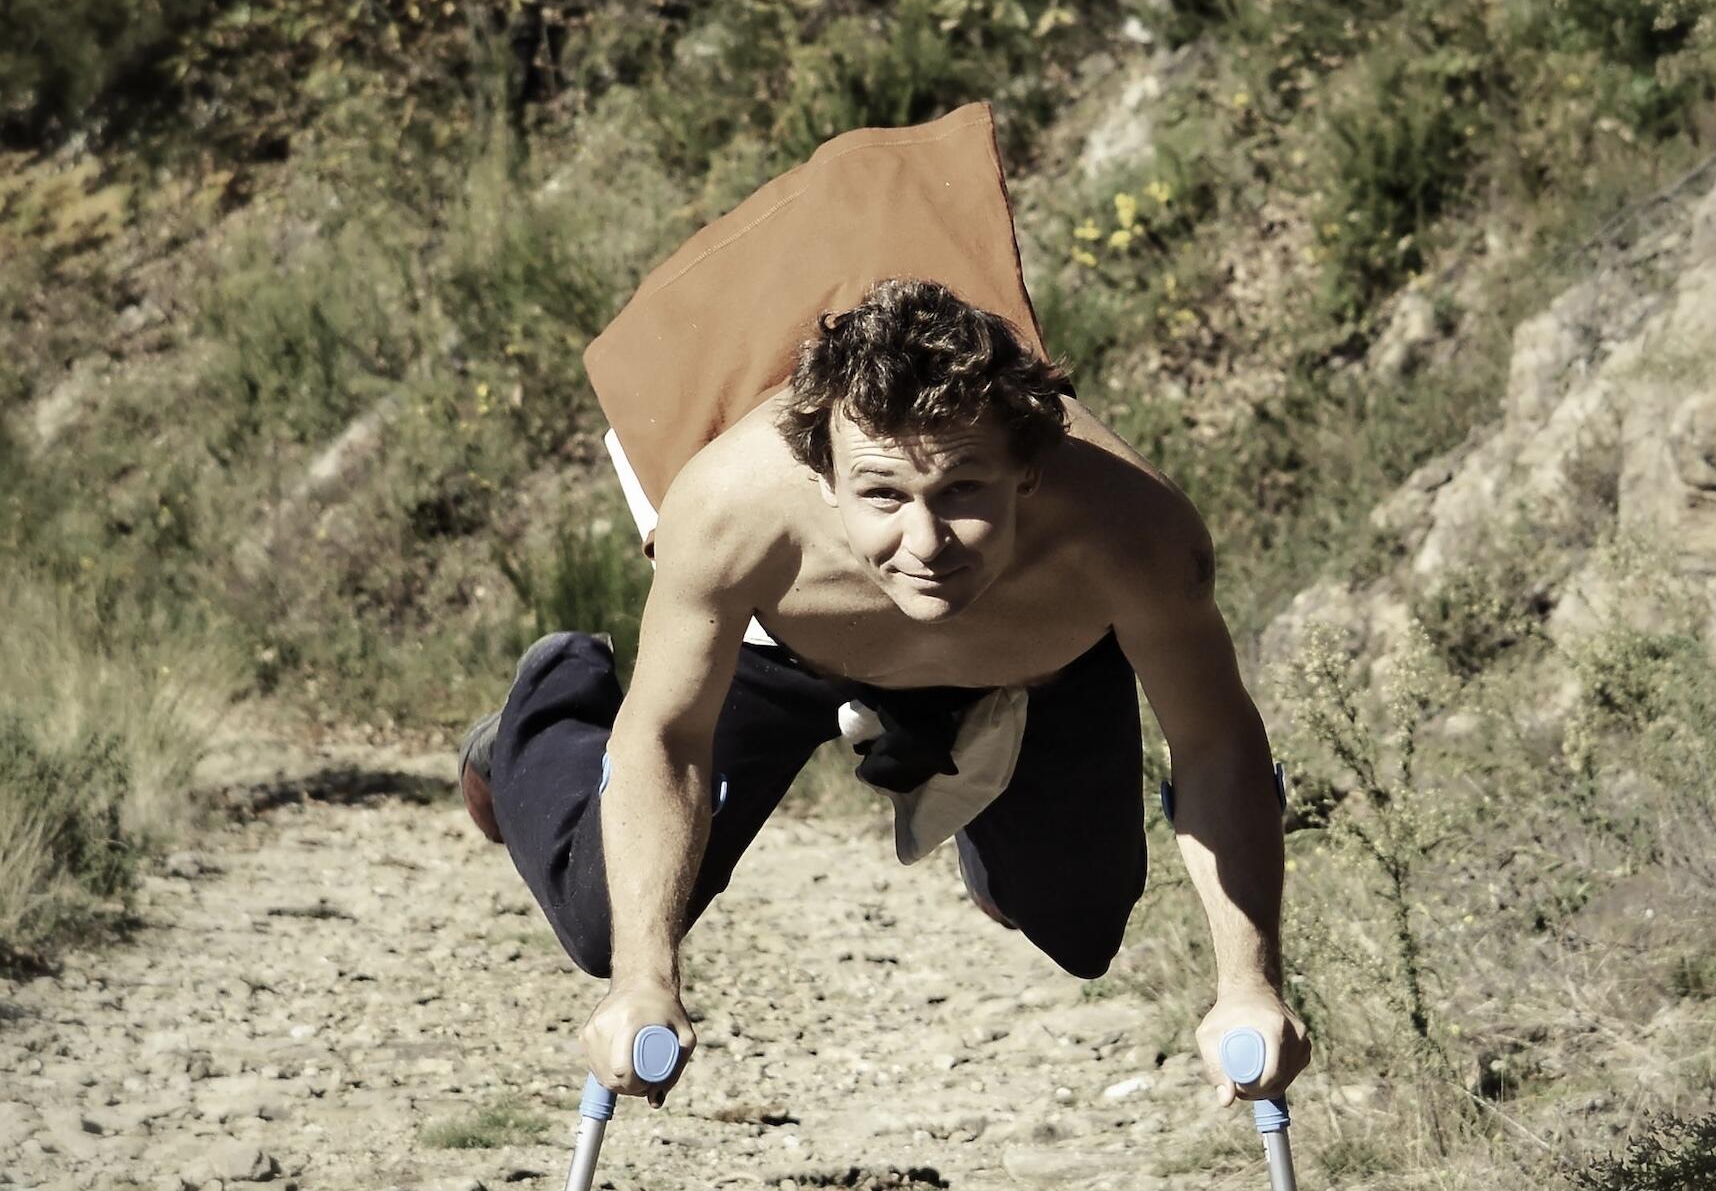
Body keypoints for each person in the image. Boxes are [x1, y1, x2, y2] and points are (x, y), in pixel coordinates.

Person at [459, 278, 1310, 1111]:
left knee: (1081, 928)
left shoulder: (1135, 531)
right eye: (882, 495)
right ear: (824, 478)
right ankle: (551, 699)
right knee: (608, 920)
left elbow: (1215, 744)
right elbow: (667, 738)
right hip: (799, 641)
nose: (926, 541)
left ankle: (966, 791)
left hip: (1033, 658)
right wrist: (643, 979)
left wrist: (1249, 983)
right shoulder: (730, 508)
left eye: (962, 490)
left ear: (1026, 469)